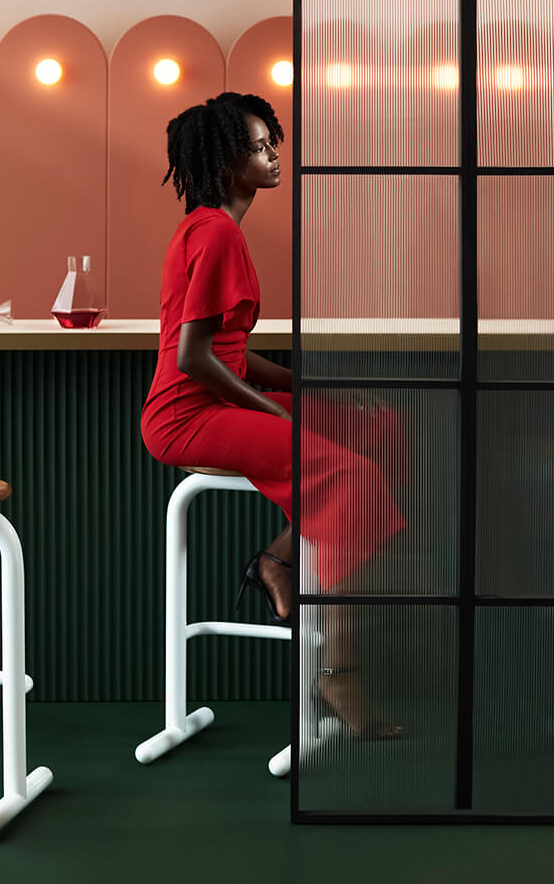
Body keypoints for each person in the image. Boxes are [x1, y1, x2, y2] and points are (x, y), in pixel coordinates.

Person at [140, 91, 406, 740]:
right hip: (186, 415)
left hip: (216, 396)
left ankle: (278, 558)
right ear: (226, 161)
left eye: (270, 143)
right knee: (352, 476)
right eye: (258, 147)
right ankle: (338, 673)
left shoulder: (216, 228)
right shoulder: (215, 231)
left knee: (378, 428)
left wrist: (313, 391)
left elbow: (230, 350)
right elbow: (194, 359)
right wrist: (277, 414)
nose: (272, 155)